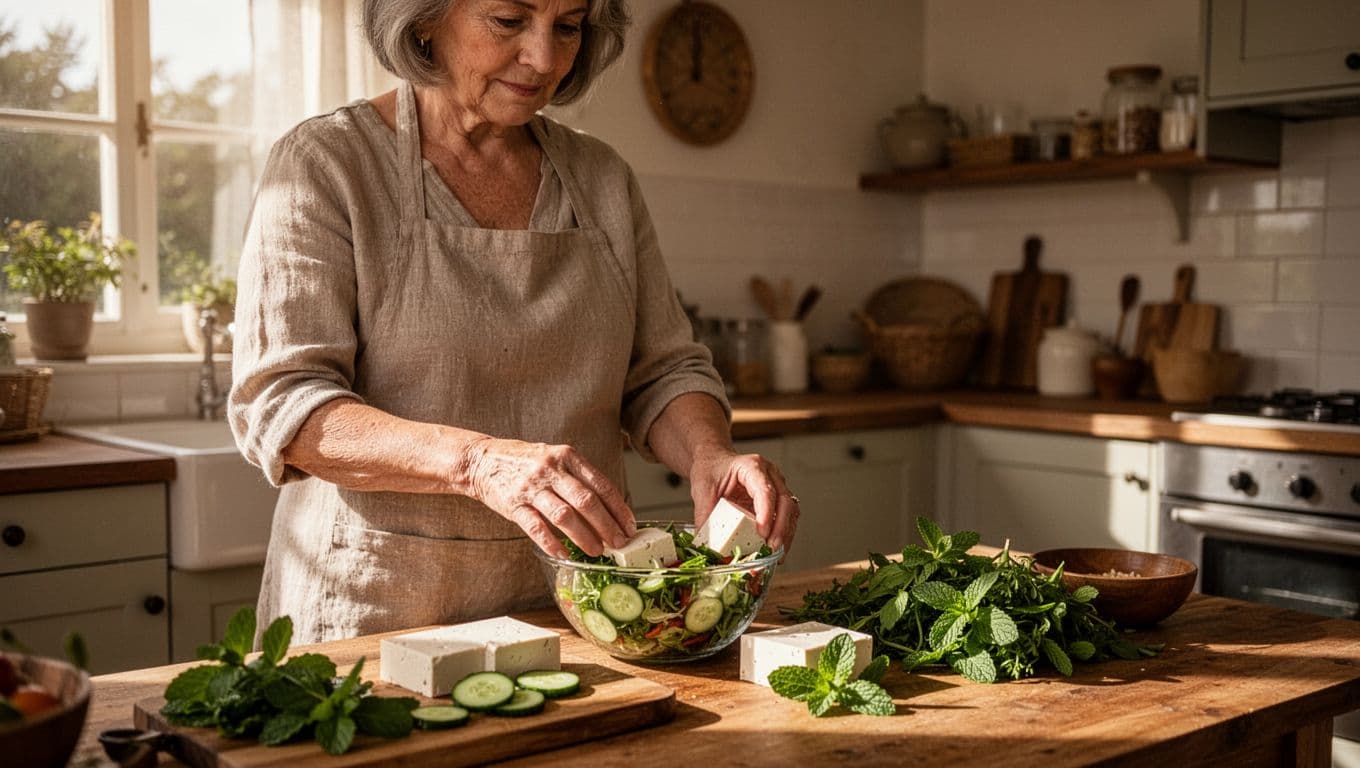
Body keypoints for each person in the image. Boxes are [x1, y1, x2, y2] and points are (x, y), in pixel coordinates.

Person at [229, 0, 801, 644]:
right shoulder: (328, 164)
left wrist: (708, 453)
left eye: (568, 26)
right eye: (508, 20)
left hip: (585, 611)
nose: (545, 58)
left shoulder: (603, 179)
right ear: (424, 20)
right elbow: (285, 408)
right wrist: (477, 462)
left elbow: (663, 371)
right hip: (381, 609)